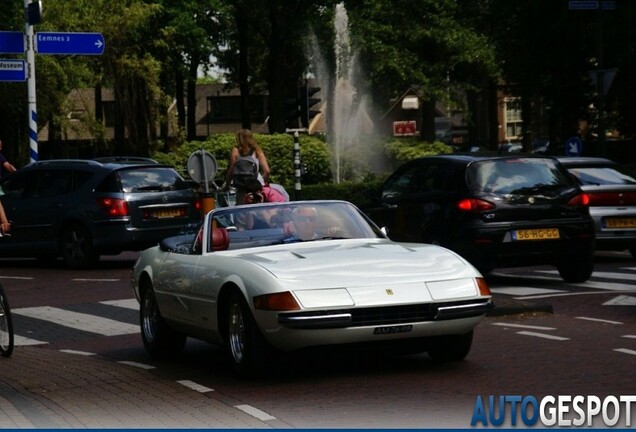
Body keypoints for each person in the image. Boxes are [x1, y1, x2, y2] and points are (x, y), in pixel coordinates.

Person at [225, 129, 270, 205]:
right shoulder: (257, 150)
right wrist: (261, 182)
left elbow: (231, 171)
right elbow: (267, 171)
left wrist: (227, 185)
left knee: (241, 212)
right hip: (256, 186)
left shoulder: (236, 151)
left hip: (242, 187)